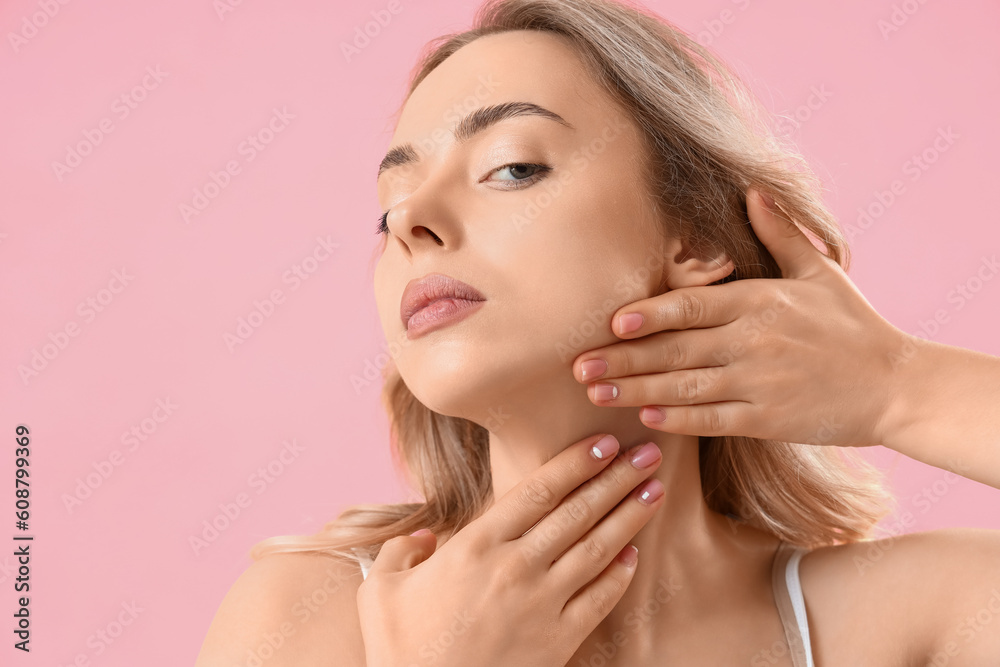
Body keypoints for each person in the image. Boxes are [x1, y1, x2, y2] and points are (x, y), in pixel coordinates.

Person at [196, 0, 1000, 665]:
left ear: (697, 239)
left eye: (513, 167)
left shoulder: (911, 623)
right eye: (390, 203)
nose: (411, 221)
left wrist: (902, 386)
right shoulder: (313, 619)